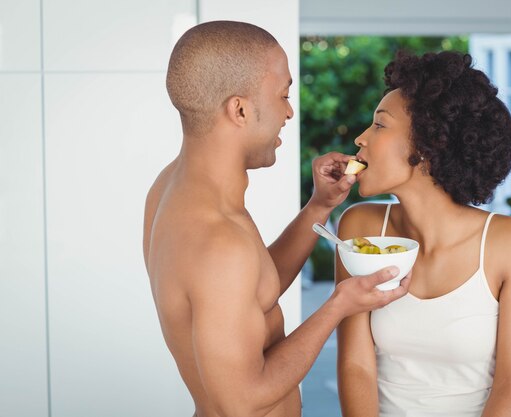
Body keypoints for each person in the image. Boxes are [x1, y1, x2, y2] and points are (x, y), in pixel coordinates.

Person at [143, 20, 411, 417]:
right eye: (283, 95)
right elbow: (242, 402)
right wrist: (336, 306)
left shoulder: (171, 188)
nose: (289, 111)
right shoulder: (218, 239)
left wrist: (318, 208)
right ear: (240, 109)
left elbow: (249, 290)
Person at [336, 51, 511, 417]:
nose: (360, 138)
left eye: (380, 125)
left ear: (426, 146)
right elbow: (356, 366)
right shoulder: (361, 228)